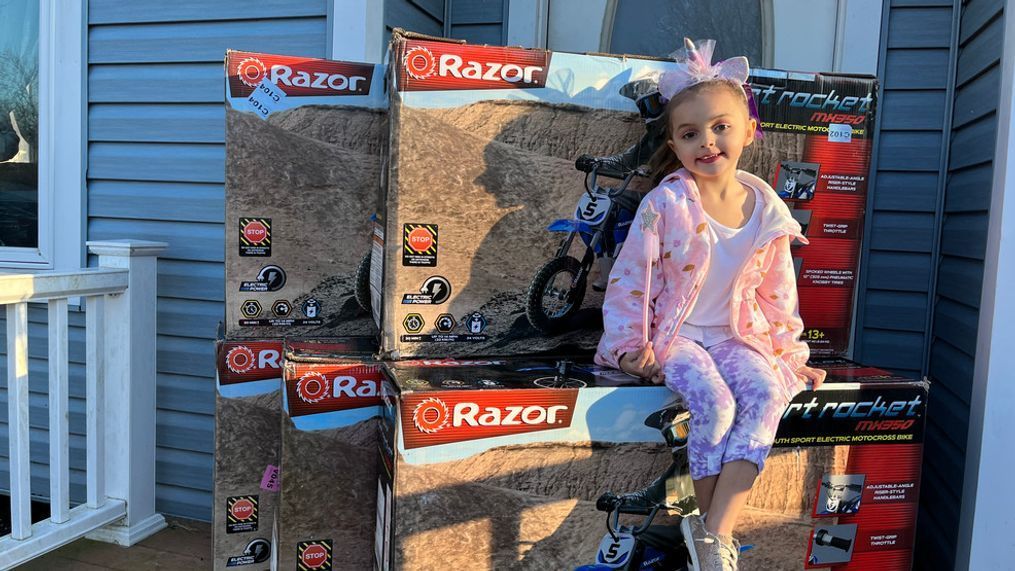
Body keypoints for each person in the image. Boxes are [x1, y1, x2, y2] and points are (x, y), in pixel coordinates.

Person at [594, 39, 826, 571]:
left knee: (767, 395)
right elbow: (631, 278)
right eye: (690, 133)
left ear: (748, 129)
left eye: (721, 126)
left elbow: (777, 293)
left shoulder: (767, 208)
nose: (707, 141)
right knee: (717, 406)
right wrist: (632, 348)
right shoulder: (667, 203)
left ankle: (711, 534)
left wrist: (790, 356)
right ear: (674, 145)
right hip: (678, 338)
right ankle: (709, 531)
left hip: (737, 336)